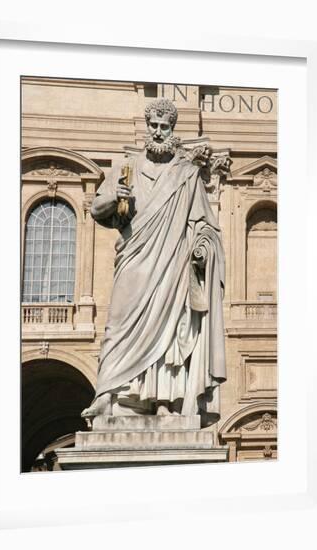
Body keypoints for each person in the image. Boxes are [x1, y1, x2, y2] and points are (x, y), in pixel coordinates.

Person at [82, 98, 226, 427]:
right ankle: (108, 395)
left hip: (171, 265)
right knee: (118, 325)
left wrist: (204, 246)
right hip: (134, 260)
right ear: (146, 127)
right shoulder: (126, 167)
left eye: (165, 127)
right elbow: (97, 210)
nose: (158, 132)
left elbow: (206, 223)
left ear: (173, 130)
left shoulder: (187, 174)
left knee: (168, 333)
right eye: (154, 126)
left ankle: (164, 401)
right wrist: (115, 199)